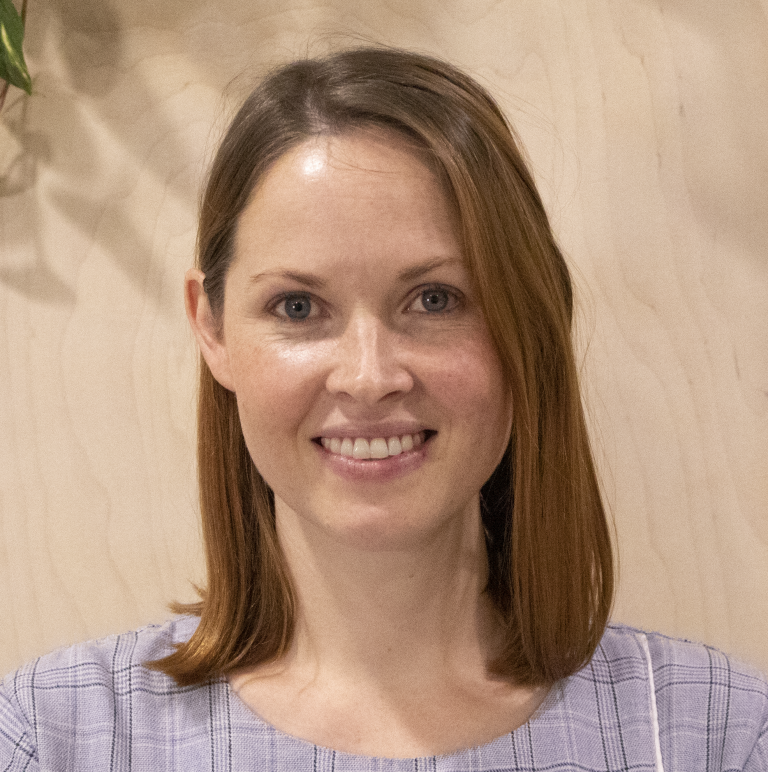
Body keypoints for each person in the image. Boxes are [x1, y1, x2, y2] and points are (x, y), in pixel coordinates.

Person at [1, 46, 766, 771]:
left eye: (435, 299)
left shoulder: (711, 734)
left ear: (527, 321)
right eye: (298, 306)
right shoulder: (56, 736)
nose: (369, 378)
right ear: (212, 325)